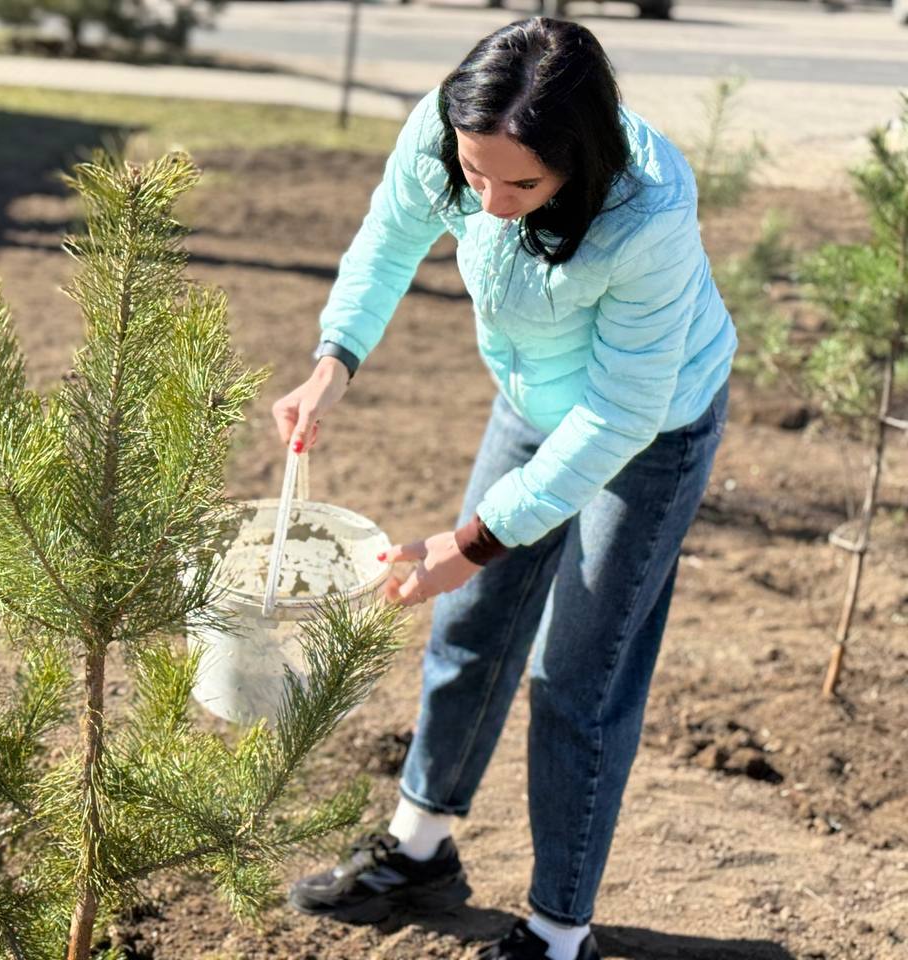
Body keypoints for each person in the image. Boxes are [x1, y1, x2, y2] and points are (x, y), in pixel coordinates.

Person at [270, 16, 737, 960]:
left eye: (521, 184)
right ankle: (420, 850)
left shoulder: (647, 211)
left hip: (645, 428)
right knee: (470, 625)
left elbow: (619, 414)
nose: (487, 205)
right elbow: (389, 238)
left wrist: (474, 540)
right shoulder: (453, 129)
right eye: (473, 173)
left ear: (583, 159)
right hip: (534, 398)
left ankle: (560, 932)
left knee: (577, 678)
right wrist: (334, 360)